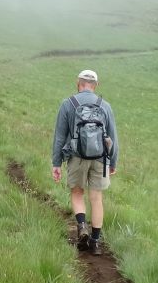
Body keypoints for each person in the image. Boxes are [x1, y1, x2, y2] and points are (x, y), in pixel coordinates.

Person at [51, 69, 119, 255]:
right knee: (96, 198)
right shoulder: (105, 106)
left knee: (77, 193)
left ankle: (82, 226)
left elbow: (59, 136)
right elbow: (113, 137)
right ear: (95, 86)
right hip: (100, 158)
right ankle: (95, 243)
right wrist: (112, 162)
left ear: (78, 83)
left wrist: (56, 163)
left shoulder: (68, 104)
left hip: (76, 157)